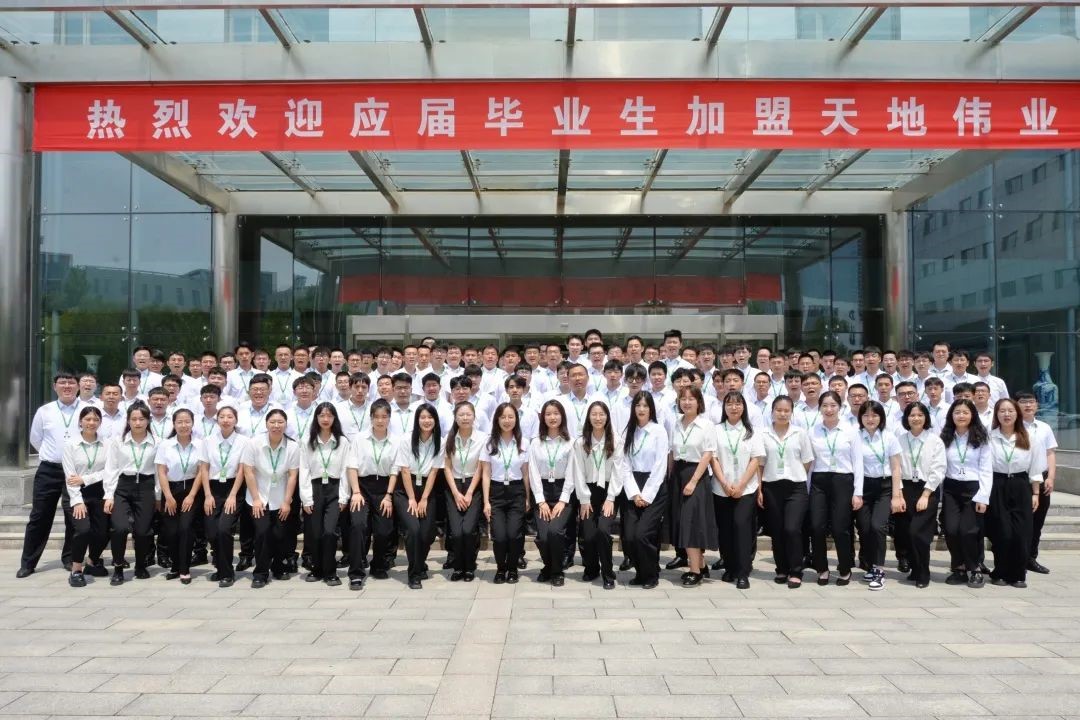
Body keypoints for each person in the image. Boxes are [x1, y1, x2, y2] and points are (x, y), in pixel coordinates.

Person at [17, 372, 81, 578]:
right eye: (62, 383)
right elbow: (36, 439)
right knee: (39, 516)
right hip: (49, 470)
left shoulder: (87, 409)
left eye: (71, 382)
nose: (67, 386)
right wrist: (52, 454)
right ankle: (28, 562)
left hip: (75, 471)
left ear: (78, 386)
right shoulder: (45, 411)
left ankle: (70, 558)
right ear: (55, 387)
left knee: (74, 516)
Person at [382, 403, 443, 589]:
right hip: (405, 490)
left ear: (435, 420)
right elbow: (405, 471)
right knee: (413, 529)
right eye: (423, 417)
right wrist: (412, 499)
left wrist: (423, 499)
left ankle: (420, 562)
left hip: (426, 489)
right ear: (417, 420)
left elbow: (434, 471)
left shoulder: (440, 441)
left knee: (427, 532)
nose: (426, 421)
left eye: (430, 417)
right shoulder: (406, 440)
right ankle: (414, 574)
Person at [808, 391, 863, 587]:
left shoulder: (851, 430)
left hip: (843, 480)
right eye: (825, 405)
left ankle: (845, 568)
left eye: (833, 405)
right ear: (819, 408)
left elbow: (858, 463)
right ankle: (822, 568)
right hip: (819, 481)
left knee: (841, 528)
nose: (829, 409)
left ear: (840, 407)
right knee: (817, 526)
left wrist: (858, 492)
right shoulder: (813, 431)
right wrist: (807, 488)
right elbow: (810, 463)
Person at [240, 408, 300, 588]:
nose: (276, 425)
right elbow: (248, 472)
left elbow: (292, 476)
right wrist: (256, 499)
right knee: (263, 532)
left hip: (281, 496)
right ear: (266, 424)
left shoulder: (292, 446)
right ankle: (260, 572)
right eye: (272, 422)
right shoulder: (254, 443)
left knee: (280, 534)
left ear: (286, 425)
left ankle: (278, 566)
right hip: (258, 496)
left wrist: (287, 501)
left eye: (280, 422)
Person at [711, 391, 764, 589]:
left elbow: (755, 459)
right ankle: (730, 567)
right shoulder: (716, 430)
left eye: (738, 403)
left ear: (744, 407)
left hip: (746, 489)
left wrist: (741, 485)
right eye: (730, 404)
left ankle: (743, 572)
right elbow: (713, 458)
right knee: (725, 531)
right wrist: (725, 483)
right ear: (724, 408)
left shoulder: (752, 431)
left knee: (742, 528)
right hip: (721, 488)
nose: (734, 407)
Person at [758, 395, 813, 589]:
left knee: (792, 529)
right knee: (777, 531)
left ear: (792, 412)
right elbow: (760, 463)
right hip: (771, 486)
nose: (782, 414)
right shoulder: (763, 433)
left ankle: (796, 571)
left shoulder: (800, 433)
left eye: (786, 410)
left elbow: (807, 461)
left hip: (796, 487)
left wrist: (794, 473)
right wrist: (760, 489)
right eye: (778, 410)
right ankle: (781, 569)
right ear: (772, 412)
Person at [987, 398, 1043, 588]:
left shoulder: (1028, 436)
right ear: (996, 415)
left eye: (1010, 411)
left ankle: (1018, 574)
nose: (1006, 414)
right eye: (1002, 411)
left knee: (1021, 533)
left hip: (1020, 485)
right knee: (1002, 532)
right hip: (997, 484)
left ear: (1017, 413)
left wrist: (1035, 493)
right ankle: (1000, 572)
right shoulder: (990, 437)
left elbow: (1035, 467)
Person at [103, 403, 158, 586]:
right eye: (133, 419)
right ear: (128, 421)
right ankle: (118, 567)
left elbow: (159, 472)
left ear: (148, 420)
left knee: (143, 531)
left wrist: (158, 496)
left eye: (141, 419)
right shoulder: (118, 441)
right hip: (123, 486)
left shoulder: (157, 442)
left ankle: (141, 565)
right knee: (119, 528)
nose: (137, 423)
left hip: (146, 487)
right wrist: (109, 495)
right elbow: (111, 468)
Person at [572, 401, 625, 589]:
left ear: (607, 417)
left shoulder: (616, 441)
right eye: (594, 414)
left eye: (602, 414)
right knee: (587, 533)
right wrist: (584, 499)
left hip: (609, 492)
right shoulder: (580, 443)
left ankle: (608, 574)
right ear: (588, 417)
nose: (598, 418)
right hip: (588, 491)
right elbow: (578, 472)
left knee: (603, 530)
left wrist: (611, 498)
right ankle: (592, 568)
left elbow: (618, 471)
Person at [893, 402, 946, 588]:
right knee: (907, 533)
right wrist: (899, 493)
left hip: (927, 490)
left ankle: (924, 573)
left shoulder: (935, 440)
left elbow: (939, 469)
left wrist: (926, 494)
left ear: (926, 418)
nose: (916, 418)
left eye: (920, 415)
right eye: (912, 415)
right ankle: (915, 569)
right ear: (906, 418)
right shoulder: (899, 440)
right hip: (905, 489)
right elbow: (895, 468)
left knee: (919, 533)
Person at [668, 387, 717, 588]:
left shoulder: (706, 425)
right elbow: (672, 452)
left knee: (691, 523)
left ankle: (694, 571)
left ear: (699, 402)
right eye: (683, 399)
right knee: (683, 521)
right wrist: (670, 477)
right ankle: (701, 565)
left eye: (691, 399)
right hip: (678, 474)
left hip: (695, 475)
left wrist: (693, 481)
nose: (687, 402)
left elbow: (708, 454)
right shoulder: (676, 423)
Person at [940, 399, 992, 588]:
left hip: (973, 488)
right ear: (951, 416)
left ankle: (975, 568)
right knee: (951, 530)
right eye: (957, 412)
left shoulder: (980, 438)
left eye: (965, 412)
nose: (961, 416)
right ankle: (959, 567)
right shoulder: (945, 437)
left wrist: (983, 497)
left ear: (972, 415)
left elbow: (986, 469)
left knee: (968, 531)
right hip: (951, 489)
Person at [619, 391, 669, 589]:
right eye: (638, 405)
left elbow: (660, 465)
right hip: (632, 486)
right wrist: (634, 493)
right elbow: (624, 464)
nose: (641, 409)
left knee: (643, 533)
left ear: (651, 409)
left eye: (645, 406)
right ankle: (640, 572)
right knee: (630, 535)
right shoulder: (628, 431)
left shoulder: (659, 431)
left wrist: (646, 495)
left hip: (653, 486)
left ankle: (650, 574)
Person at [345, 399, 396, 587]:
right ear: (371, 418)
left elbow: (395, 470)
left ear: (389, 418)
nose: (380, 421)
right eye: (377, 417)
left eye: (384, 417)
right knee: (358, 525)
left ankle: (378, 565)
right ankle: (356, 572)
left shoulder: (396, 441)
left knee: (383, 530)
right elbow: (352, 466)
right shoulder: (360, 439)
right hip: (362, 488)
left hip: (385, 488)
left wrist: (389, 496)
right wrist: (356, 492)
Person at [298, 402, 350, 586]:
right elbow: (304, 469)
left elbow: (345, 470)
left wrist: (344, 496)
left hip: (335, 489)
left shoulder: (342, 442)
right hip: (314, 489)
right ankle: (317, 568)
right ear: (316, 418)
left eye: (329, 415)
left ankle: (330, 571)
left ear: (334, 418)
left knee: (330, 531)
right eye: (322, 415)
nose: (325, 419)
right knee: (315, 532)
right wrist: (306, 498)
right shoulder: (308, 441)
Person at [155, 408, 207, 584]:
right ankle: (176, 566)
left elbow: (201, 471)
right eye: (180, 422)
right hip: (170, 490)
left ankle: (184, 569)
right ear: (174, 424)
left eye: (187, 422)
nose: (184, 425)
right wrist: (168, 496)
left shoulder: (200, 444)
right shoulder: (165, 445)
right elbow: (161, 472)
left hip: (192, 490)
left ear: (193, 423)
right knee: (171, 531)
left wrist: (192, 495)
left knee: (186, 528)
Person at [854, 401, 902, 591]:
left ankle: (879, 570)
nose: (870, 419)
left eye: (874, 415)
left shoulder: (889, 437)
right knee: (864, 528)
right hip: (863, 486)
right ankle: (870, 565)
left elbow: (896, 467)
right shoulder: (856, 436)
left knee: (878, 526)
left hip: (884, 486)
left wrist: (897, 495)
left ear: (881, 417)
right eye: (866, 415)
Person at [200, 405, 250, 587]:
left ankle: (227, 573)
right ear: (217, 419)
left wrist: (233, 495)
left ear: (236, 420)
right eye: (222, 416)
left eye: (230, 417)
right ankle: (220, 566)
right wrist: (207, 495)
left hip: (233, 488)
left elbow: (242, 470)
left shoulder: (244, 441)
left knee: (224, 529)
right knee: (212, 532)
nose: (226, 420)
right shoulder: (208, 441)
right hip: (212, 489)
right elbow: (204, 468)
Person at [527, 400, 575, 586]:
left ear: (562, 416)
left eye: (556, 413)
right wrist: (541, 501)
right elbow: (533, 472)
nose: (552, 417)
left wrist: (563, 500)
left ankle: (556, 571)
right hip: (543, 492)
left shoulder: (570, 442)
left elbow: (572, 473)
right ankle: (548, 566)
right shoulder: (536, 443)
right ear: (543, 418)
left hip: (563, 492)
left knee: (555, 531)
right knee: (543, 535)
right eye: (548, 414)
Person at [481, 403, 529, 584]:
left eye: (511, 417)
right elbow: (486, 474)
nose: (507, 421)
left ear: (516, 419)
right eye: (503, 417)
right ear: (497, 420)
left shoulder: (524, 442)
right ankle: (501, 569)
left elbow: (525, 472)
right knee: (499, 536)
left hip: (517, 491)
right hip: (497, 491)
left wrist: (527, 498)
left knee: (514, 534)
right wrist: (486, 501)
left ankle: (513, 569)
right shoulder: (489, 443)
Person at [61, 407, 109, 586]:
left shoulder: (107, 444)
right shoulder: (70, 444)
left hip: (98, 491)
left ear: (100, 422)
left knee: (103, 531)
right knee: (83, 530)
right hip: (75, 492)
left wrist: (86, 479)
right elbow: (70, 476)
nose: (91, 423)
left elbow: (110, 470)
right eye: (87, 419)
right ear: (80, 422)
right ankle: (76, 569)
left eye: (95, 419)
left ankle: (92, 562)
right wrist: (77, 501)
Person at [443, 401, 485, 582]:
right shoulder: (449, 438)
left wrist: (469, 493)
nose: (465, 418)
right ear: (455, 417)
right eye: (461, 415)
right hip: (453, 486)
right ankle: (458, 567)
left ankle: (469, 566)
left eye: (468, 414)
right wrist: (456, 493)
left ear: (474, 417)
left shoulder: (482, 438)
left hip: (473, 486)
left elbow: (481, 468)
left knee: (468, 529)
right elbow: (446, 467)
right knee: (456, 531)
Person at [1017, 391, 1057, 575]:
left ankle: (1030, 558)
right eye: (1023, 402)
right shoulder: (1012, 427)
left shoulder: (1044, 427)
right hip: (1019, 478)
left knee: (1037, 521)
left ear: (1037, 405)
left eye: (1031, 402)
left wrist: (1051, 477)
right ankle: (1015, 556)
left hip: (1041, 477)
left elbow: (1050, 453)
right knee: (1017, 521)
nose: (1028, 405)